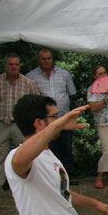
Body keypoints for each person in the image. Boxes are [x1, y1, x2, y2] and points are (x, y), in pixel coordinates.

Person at [0, 53, 40, 192]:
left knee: (25, 153)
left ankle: (27, 183)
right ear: (5, 65)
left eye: (16, 64)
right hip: (1, 123)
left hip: (20, 124)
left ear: (20, 66)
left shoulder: (28, 82)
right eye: (11, 64)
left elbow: (35, 103)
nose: (14, 67)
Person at [26, 48, 77, 176]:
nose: (47, 61)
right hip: (46, 121)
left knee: (67, 148)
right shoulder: (31, 76)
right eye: (44, 59)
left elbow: (71, 94)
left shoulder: (64, 74)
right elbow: (31, 100)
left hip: (64, 118)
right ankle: (53, 176)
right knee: (50, 149)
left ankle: (69, 175)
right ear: (38, 60)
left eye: (49, 58)